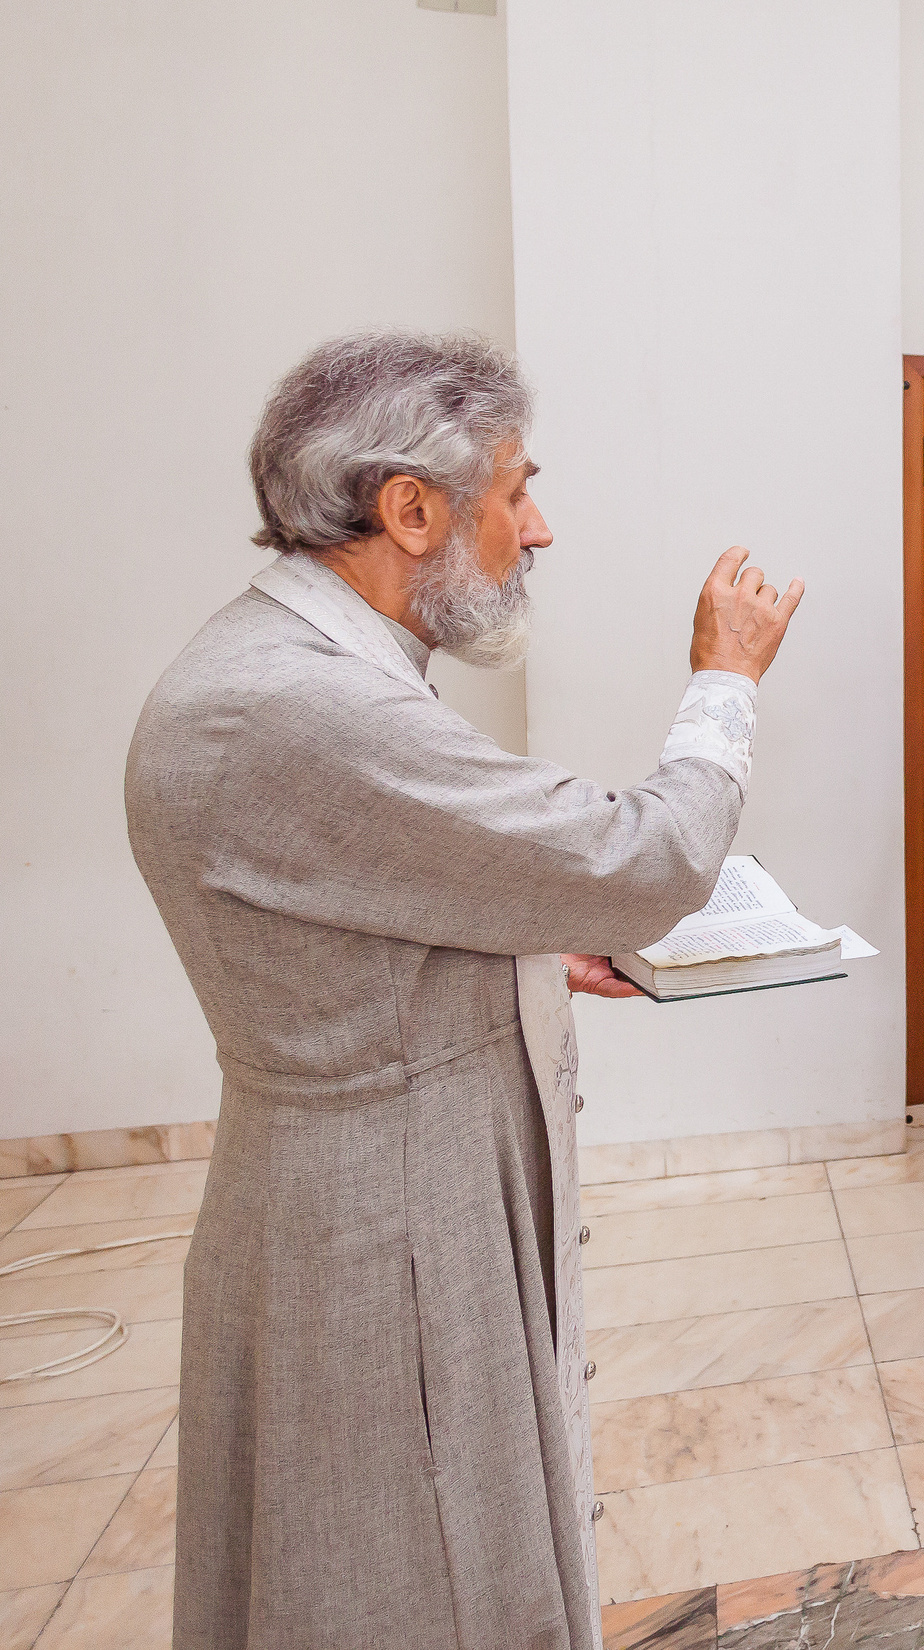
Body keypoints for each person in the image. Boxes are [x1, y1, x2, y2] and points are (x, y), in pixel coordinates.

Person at [124, 331, 802, 1650]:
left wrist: (534, 948)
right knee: (404, 1568)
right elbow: (642, 858)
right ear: (411, 507)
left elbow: (354, 900)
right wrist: (725, 679)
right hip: (383, 1227)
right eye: (516, 488)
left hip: (393, 1185)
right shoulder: (295, 703)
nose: (537, 526)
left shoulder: (295, 666)